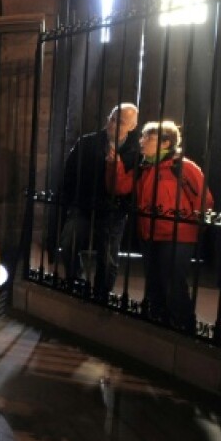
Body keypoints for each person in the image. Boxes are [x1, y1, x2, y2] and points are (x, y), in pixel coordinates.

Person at [109, 120, 213, 332]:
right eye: (143, 136)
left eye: (149, 137)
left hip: (177, 235)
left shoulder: (184, 167)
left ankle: (182, 327)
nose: (142, 141)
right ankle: (158, 324)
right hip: (149, 233)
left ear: (166, 143)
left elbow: (204, 201)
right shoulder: (144, 167)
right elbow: (120, 187)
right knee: (154, 282)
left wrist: (194, 227)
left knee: (173, 283)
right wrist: (114, 165)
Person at [57, 103, 139, 297]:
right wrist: (70, 199)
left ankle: (102, 294)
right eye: (112, 118)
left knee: (108, 257)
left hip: (113, 209)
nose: (113, 124)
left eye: (120, 121)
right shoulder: (87, 142)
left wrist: (125, 204)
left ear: (132, 126)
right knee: (68, 245)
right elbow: (70, 171)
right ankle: (76, 281)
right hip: (84, 204)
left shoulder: (135, 150)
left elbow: (136, 181)